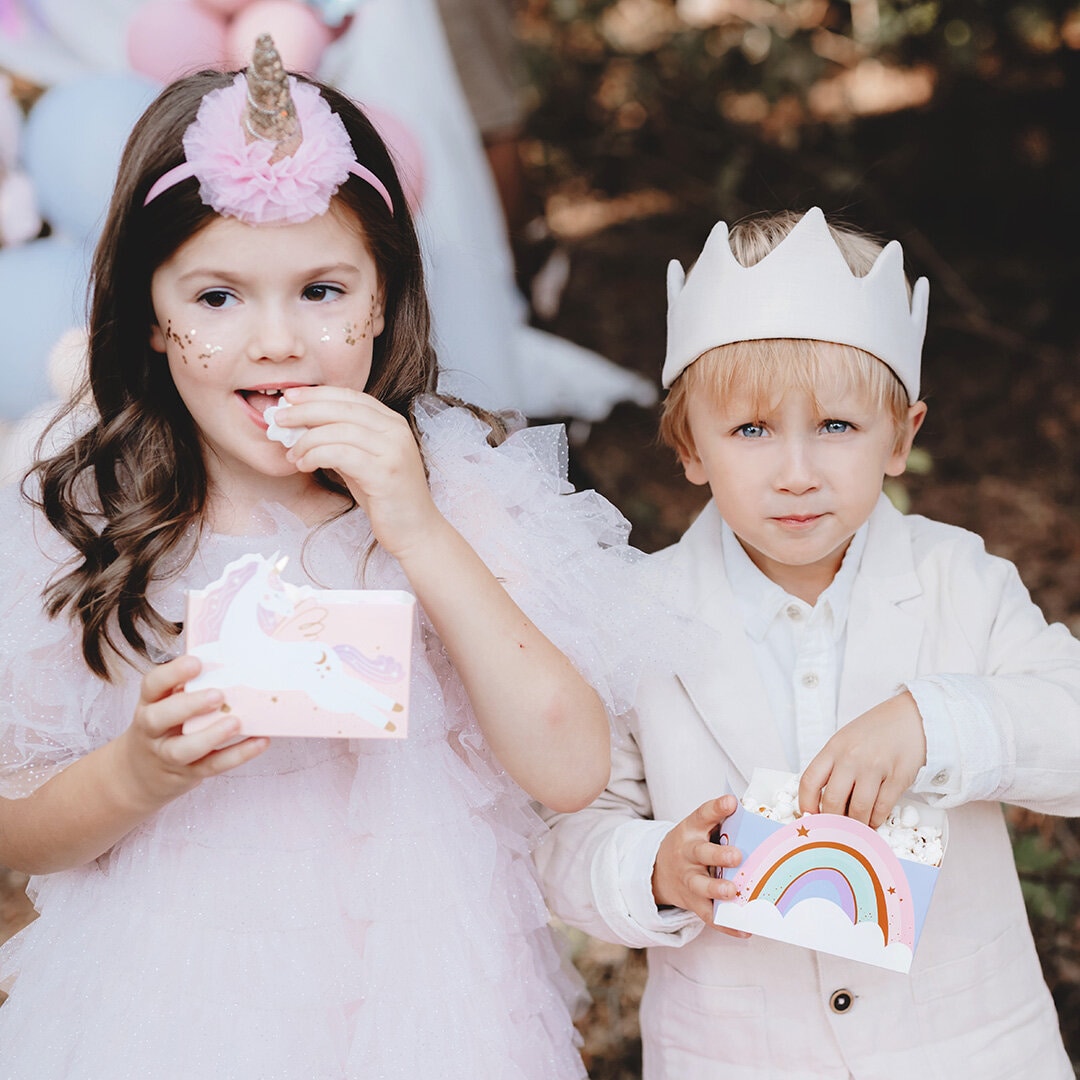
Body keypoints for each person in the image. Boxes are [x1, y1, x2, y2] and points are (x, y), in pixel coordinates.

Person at [0, 37, 644, 1078]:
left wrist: (419, 528)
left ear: (384, 298)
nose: (276, 342)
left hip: (428, 1009)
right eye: (217, 298)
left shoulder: (460, 488)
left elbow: (572, 767)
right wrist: (136, 770)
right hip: (166, 1010)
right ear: (151, 319)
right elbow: (17, 835)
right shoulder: (88, 519)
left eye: (321, 291)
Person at [536, 207, 1080, 1079]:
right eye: (751, 430)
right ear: (690, 448)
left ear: (902, 437)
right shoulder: (635, 613)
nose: (796, 471)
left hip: (966, 1051)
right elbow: (568, 832)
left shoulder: (958, 581)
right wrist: (656, 868)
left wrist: (933, 722)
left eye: (836, 426)